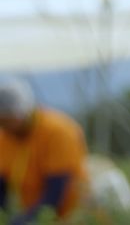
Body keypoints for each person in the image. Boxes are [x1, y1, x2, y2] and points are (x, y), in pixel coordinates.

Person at [0, 78, 88, 223]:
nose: (3, 126)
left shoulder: (58, 131)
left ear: (22, 112)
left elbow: (57, 189)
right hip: (32, 210)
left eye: (6, 120)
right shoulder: (6, 136)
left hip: (71, 215)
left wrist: (28, 218)